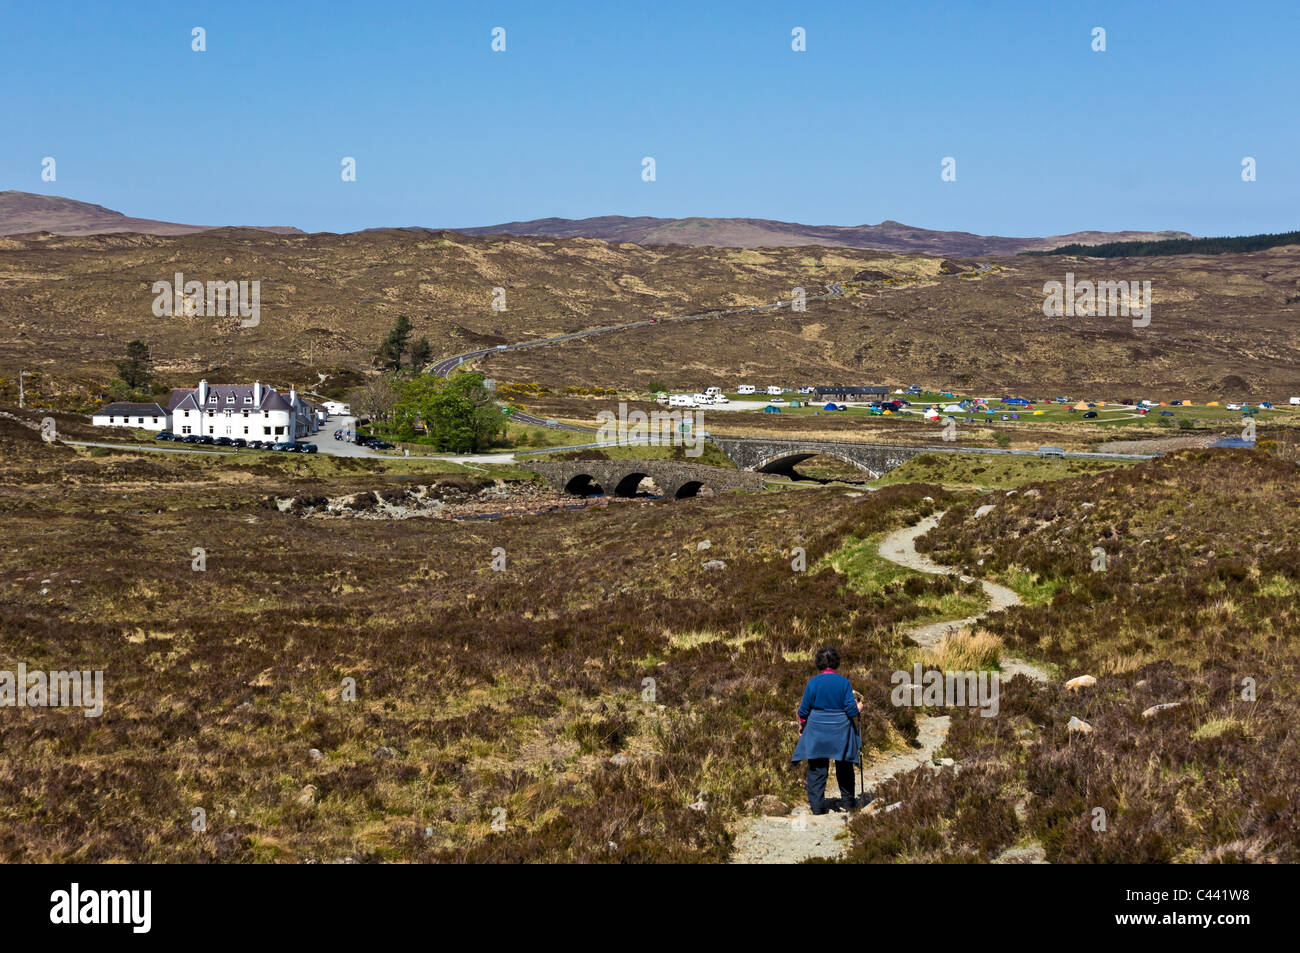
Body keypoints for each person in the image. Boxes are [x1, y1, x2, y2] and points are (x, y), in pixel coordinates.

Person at [790, 646, 861, 814]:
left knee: (817, 768)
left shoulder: (813, 683)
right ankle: (848, 803)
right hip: (841, 731)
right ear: (836, 662)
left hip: (817, 730)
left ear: (818, 663)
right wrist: (859, 706)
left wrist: (801, 726)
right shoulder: (844, 682)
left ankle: (817, 808)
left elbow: (803, 712)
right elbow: (851, 711)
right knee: (844, 767)